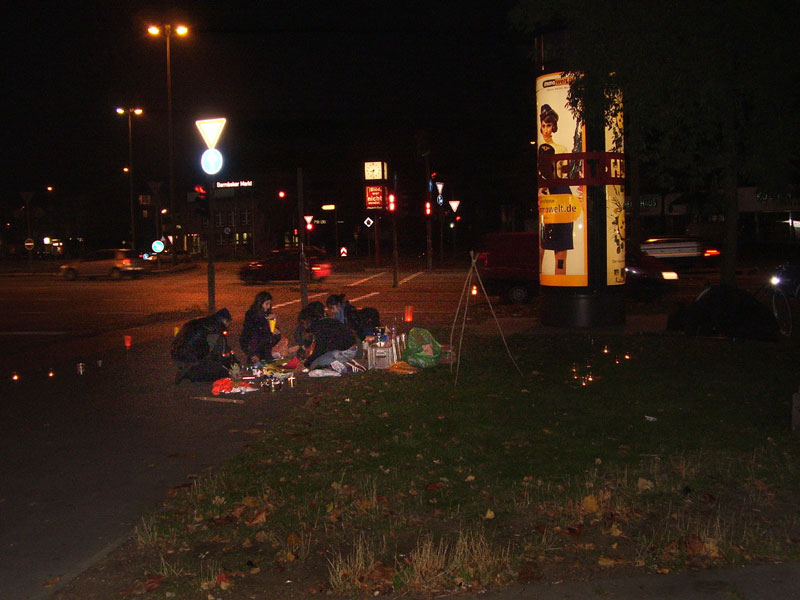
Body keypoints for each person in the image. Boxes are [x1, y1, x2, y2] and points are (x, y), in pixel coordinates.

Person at [171, 308, 235, 383]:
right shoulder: (214, 330)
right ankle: (189, 373)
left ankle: (190, 369)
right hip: (189, 357)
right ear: (224, 321)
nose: (229, 326)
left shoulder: (203, 322)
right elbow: (216, 354)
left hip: (176, 353)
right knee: (222, 373)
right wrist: (230, 364)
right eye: (228, 323)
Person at [303, 308, 364, 373]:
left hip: (344, 351)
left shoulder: (319, 328)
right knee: (323, 359)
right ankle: (345, 362)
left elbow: (320, 349)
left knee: (316, 364)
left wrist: (308, 363)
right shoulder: (327, 321)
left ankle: (347, 366)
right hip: (350, 349)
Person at [240, 291, 282, 363]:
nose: (268, 306)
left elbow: (268, 329)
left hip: (262, 340)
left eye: (269, 304)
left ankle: (265, 356)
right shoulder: (251, 313)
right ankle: (254, 356)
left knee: (275, 335)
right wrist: (266, 320)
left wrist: (275, 329)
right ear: (260, 303)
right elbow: (254, 329)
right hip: (251, 341)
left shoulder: (267, 313)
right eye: (266, 304)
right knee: (261, 337)